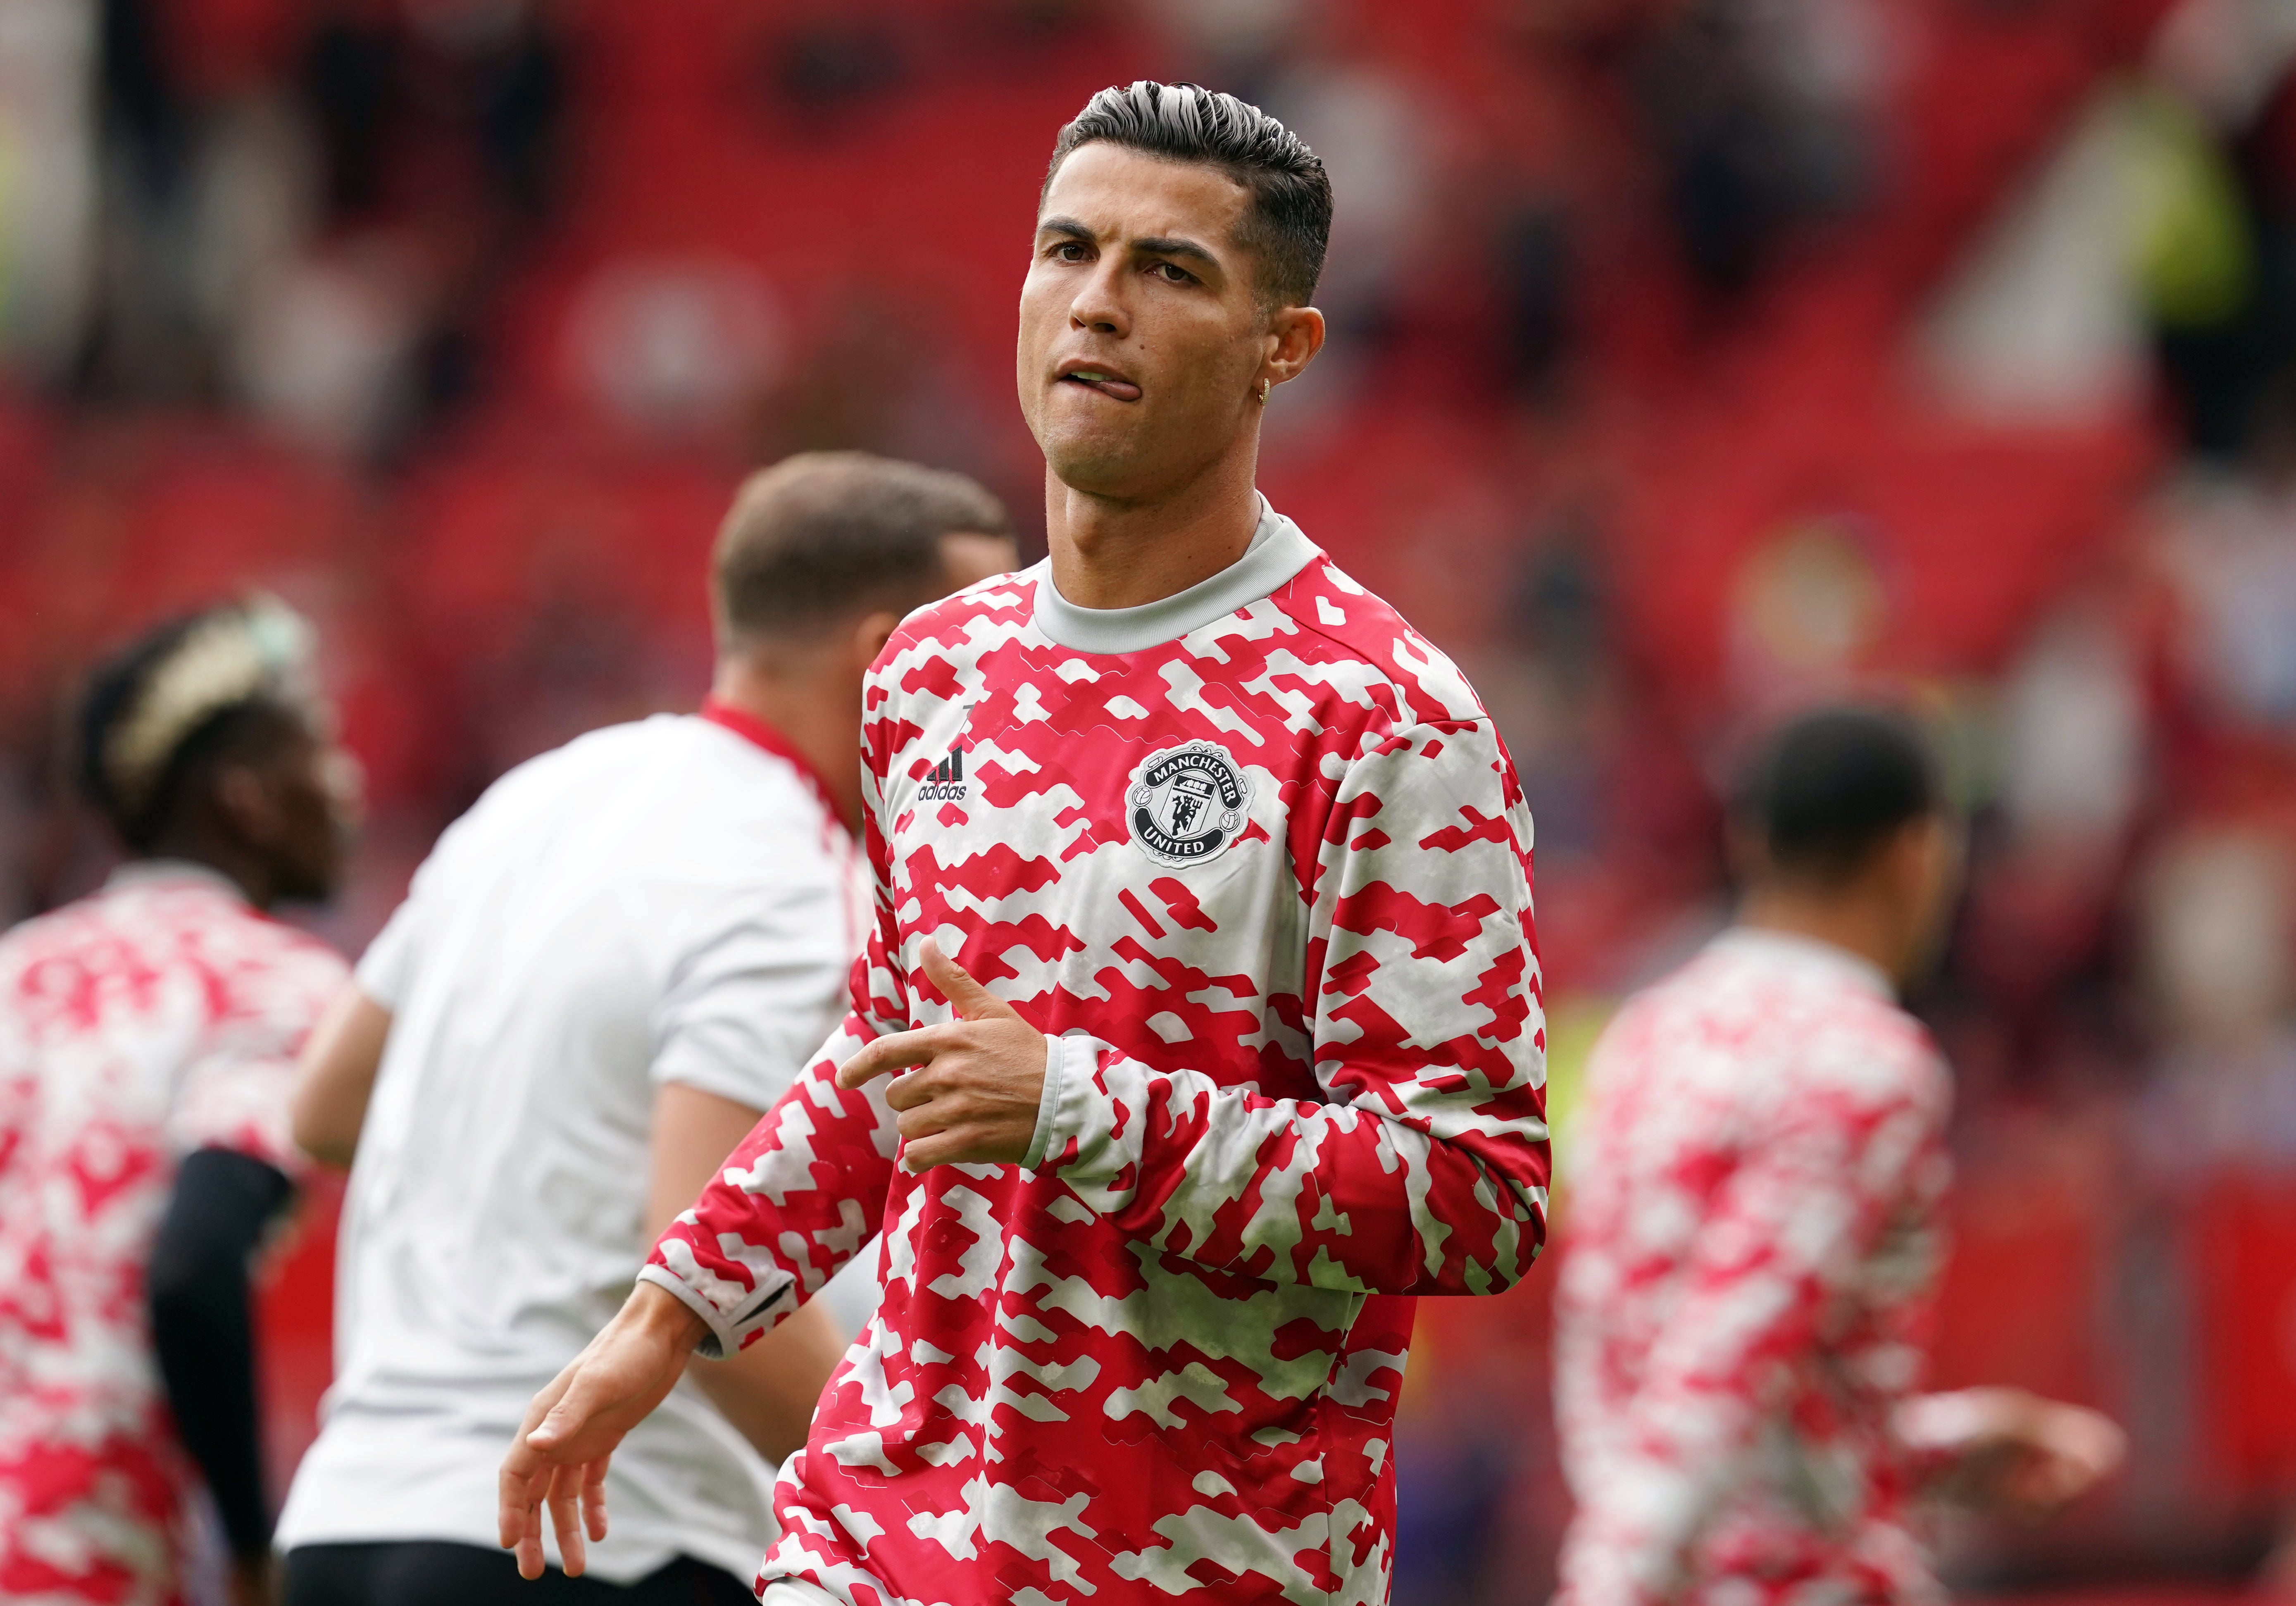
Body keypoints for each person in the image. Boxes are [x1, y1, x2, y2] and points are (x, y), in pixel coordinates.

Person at [498, 81, 1551, 1606]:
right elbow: (890, 1060)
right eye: (1067, 252)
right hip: (872, 1535)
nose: (1098, 304)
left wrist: (1073, 1102)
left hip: (1195, 1564)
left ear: (1284, 349)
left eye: (1169, 271)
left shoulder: (1384, 717)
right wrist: (667, 1314)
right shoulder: (930, 669)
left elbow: (1473, 1188)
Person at [274, 453, 1018, 1606]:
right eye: (987, 663)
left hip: (347, 1521)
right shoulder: (786, 868)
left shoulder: (545, 791)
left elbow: (323, 1107)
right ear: (888, 658)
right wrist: (915, 1512)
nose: (1006, 707)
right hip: (590, 1539)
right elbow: (711, 1253)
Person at [1553, 706, 2128, 1606]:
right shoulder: (1864, 1061)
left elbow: (1645, 1370)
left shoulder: (1643, 1038)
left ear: (1752, 844)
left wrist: (1950, 1443)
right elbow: (1723, 1354)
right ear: (1918, 853)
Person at [0, 597, 354, 1606]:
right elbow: (195, 1264)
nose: (347, 784)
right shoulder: (277, 985)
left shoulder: (17, 971)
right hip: (93, 1555)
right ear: (241, 796)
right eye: (317, 752)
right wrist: (252, 1549)